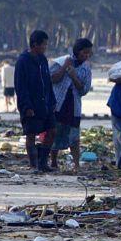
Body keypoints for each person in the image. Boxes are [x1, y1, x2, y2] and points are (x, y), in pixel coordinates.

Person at [14, 30, 57, 172]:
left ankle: (43, 163)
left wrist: (52, 101)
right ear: (34, 44)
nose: (45, 47)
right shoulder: (23, 61)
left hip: (46, 104)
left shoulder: (43, 59)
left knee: (52, 131)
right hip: (31, 104)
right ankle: (33, 165)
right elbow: (20, 87)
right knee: (31, 135)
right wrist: (26, 106)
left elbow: (48, 82)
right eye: (43, 44)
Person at [49, 38, 93, 171]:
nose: (86, 56)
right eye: (84, 53)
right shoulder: (62, 61)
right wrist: (64, 68)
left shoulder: (86, 68)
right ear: (77, 51)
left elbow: (84, 90)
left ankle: (76, 165)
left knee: (74, 136)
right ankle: (54, 161)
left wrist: (74, 76)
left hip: (73, 106)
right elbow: (52, 78)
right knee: (54, 133)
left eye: (89, 53)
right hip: (58, 104)